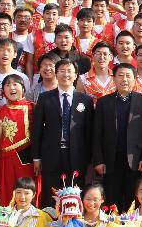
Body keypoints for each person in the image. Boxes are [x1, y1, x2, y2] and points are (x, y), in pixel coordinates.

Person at [31, 59, 95, 208]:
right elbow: (37, 129)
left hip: (77, 155)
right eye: (62, 71)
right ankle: (50, 223)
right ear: (56, 74)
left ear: (76, 75)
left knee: (74, 196)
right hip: (51, 154)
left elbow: (89, 132)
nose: (66, 74)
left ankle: (73, 222)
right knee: (50, 195)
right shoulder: (45, 98)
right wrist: (36, 157)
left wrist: (90, 158)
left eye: (69, 71)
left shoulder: (85, 100)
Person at [93, 63, 142, 209]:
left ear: (135, 79)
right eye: (120, 75)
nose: (124, 79)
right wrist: (98, 160)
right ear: (113, 79)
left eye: (128, 76)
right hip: (110, 160)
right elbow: (96, 134)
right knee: (112, 201)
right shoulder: (103, 102)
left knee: (133, 201)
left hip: (136, 161)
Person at [0, 75, 35, 199]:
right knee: (8, 193)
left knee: (26, 193)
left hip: (26, 157)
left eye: (15, 84)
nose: (12, 87)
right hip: (6, 159)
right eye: (7, 85)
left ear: (23, 88)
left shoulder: (32, 108)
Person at [0, 38, 30, 109]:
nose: (5, 53)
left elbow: (26, 101)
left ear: (15, 54)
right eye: (1, 50)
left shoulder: (22, 78)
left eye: (9, 50)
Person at [76, 41, 117, 106]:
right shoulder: (83, 79)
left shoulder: (116, 77)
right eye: (98, 54)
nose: (101, 57)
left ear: (111, 57)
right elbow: (79, 103)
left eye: (105, 54)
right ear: (92, 56)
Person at [27, 3, 59, 77]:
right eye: (47, 13)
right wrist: (30, 81)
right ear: (43, 16)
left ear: (58, 17)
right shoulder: (33, 35)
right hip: (38, 75)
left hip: (58, 75)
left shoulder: (63, 35)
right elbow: (29, 62)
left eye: (54, 14)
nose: (50, 17)